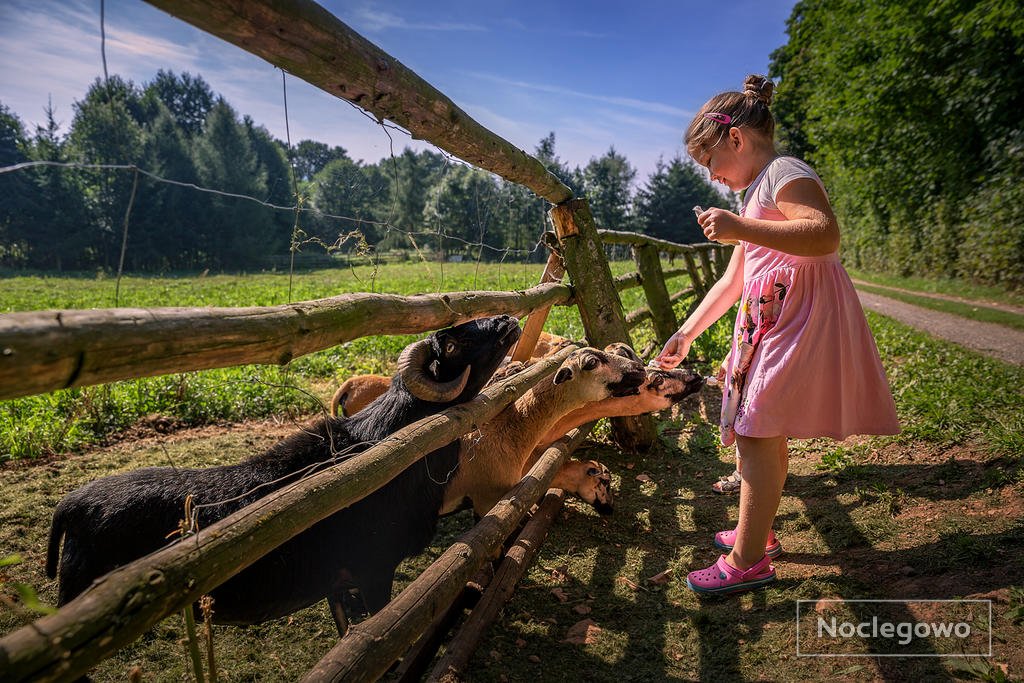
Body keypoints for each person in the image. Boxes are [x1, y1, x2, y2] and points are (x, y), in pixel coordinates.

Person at [654, 74, 899, 595]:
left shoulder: (785, 172)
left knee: (757, 426)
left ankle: (747, 561)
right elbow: (734, 280)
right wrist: (688, 332)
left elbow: (824, 233)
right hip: (773, 316)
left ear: (736, 140)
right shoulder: (754, 196)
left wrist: (740, 229)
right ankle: (756, 531)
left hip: (802, 315)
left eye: (711, 163)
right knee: (756, 424)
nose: (714, 178)